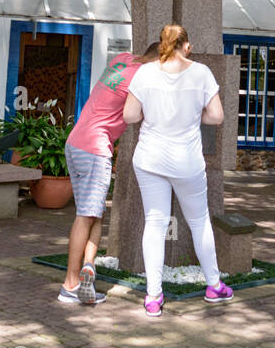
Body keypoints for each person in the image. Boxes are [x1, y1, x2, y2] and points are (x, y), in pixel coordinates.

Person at [123, 25, 231, 318]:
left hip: (149, 157)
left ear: (162, 44)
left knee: (155, 223)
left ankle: (153, 296)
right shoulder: (201, 73)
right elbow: (218, 116)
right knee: (199, 221)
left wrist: (152, 114)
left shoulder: (144, 73)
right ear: (187, 46)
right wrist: (195, 116)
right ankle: (214, 285)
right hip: (186, 160)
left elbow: (130, 115)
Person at [51, 41, 160, 306]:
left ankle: (89, 269)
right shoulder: (142, 77)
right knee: (86, 215)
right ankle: (70, 284)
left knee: (94, 213)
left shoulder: (122, 59)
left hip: (76, 142)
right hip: (95, 148)